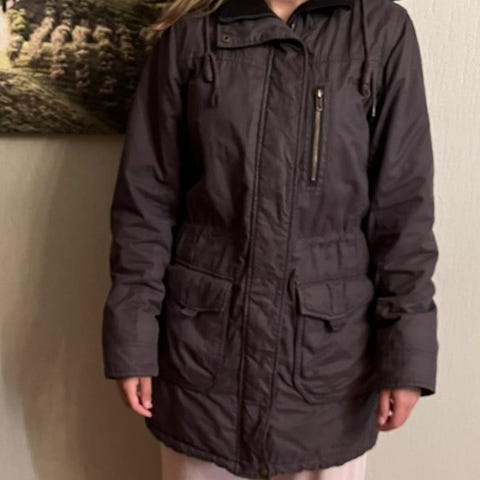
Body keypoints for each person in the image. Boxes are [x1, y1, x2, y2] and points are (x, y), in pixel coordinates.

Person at [102, 0, 439, 479]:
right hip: (203, 357)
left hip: (329, 362)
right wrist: (133, 339)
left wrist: (406, 359)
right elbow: (146, 204)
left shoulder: (381, 31)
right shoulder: (191, 35)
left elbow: (403, 211)